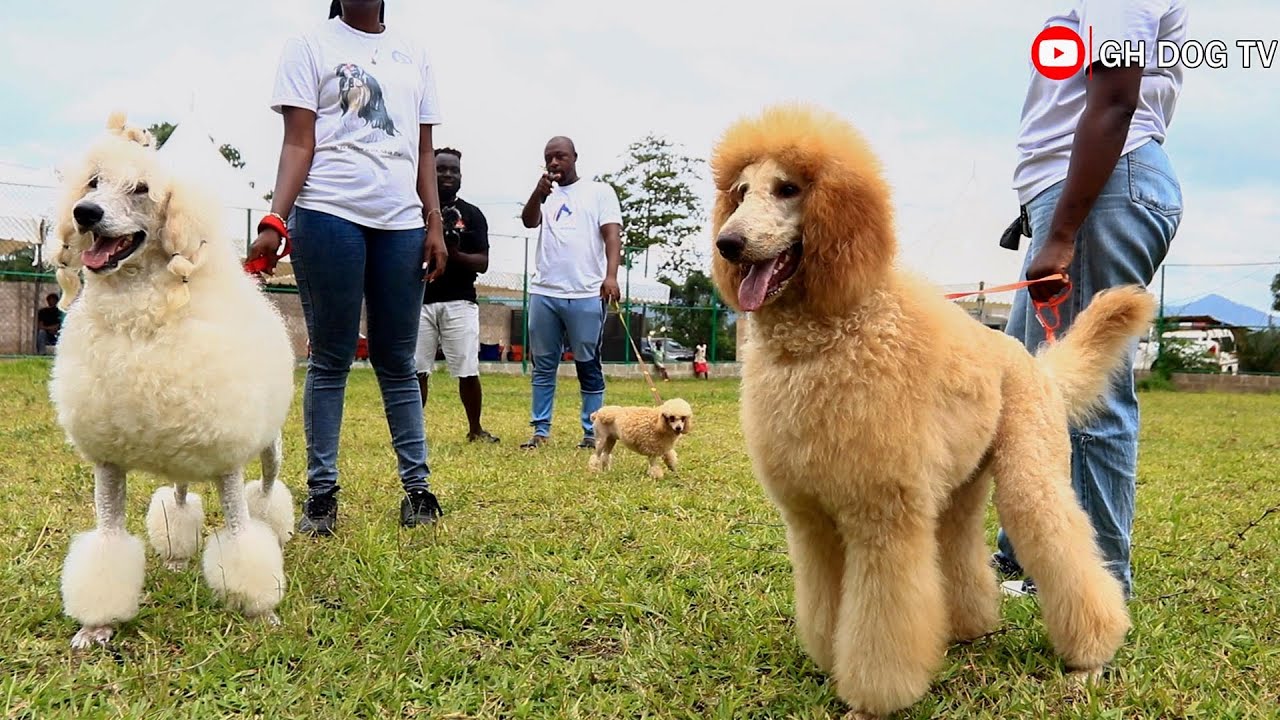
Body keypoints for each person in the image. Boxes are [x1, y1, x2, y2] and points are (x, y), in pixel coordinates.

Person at [993, 0, 1187, 598]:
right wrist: (1041, 214)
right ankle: (1026, 558)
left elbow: (1116, 100)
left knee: (1084, 395)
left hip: (1106, 190)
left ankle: (1096, 584)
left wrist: (1063, 231)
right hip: (1083, 192)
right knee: (1025, 391)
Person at [249, 0, 450, 536]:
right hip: (329, 214)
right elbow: (298, 141)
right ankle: (322, 496)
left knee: (397, 361)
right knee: (332, 358)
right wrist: (277, 216)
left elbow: (423, 150)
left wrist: (433, 221)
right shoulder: (309, 45)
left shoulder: (416, 53)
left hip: (403, 224)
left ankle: (418, 491)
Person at [518, 136, 623, 450]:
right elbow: (528, 221)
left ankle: (592, 431)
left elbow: (612, 235)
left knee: (587, 363)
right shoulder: (545, 193)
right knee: (543, 364)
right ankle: (540, 430)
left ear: (574, 157)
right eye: (549, 157)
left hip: (586, 293)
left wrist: (611, 275)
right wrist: (537, 195)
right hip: (544, 291)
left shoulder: (599, 192)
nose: (553, 163)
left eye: (560, 156)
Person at [415, 147, 499, 444]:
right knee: (418, 370)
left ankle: (475, 428)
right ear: (429, 171)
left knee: (467, 369)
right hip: (419, 300)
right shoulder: (413, 209)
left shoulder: (473, 215)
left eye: (454, 170)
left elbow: (483, 262)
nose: (448, 175)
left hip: (460, 301)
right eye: (441, 169)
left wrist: (453, 254)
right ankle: (414, 432)